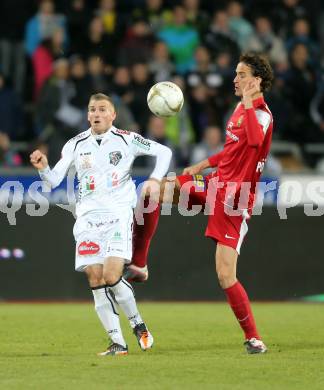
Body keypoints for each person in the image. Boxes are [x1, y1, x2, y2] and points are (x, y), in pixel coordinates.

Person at [126, 53, 274, 354]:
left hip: (235, 199)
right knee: (151, 191)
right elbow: (231, 152)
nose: (235, 79)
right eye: (235, 73)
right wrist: (201, 165)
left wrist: (247, 102)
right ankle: (139, 264)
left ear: (256, 80)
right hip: (214, 185)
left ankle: (253, 337)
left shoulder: (261, 114)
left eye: (241, 74)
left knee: (224, 275)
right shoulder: (240, 109)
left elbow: (257, 142)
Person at [30, 93, 172, 356]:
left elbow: (164, 152)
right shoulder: (75, 143)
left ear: (113, 114)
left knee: (112, 275)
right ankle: (117, 343)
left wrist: (154, 178)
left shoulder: (126, 139)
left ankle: (137, 324)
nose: (96, 113)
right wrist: (43, 167)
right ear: (87, 115)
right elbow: (52, 181)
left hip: (118, 214)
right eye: (92, 109)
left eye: (102, 109)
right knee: (95, 278)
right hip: (86, 219)